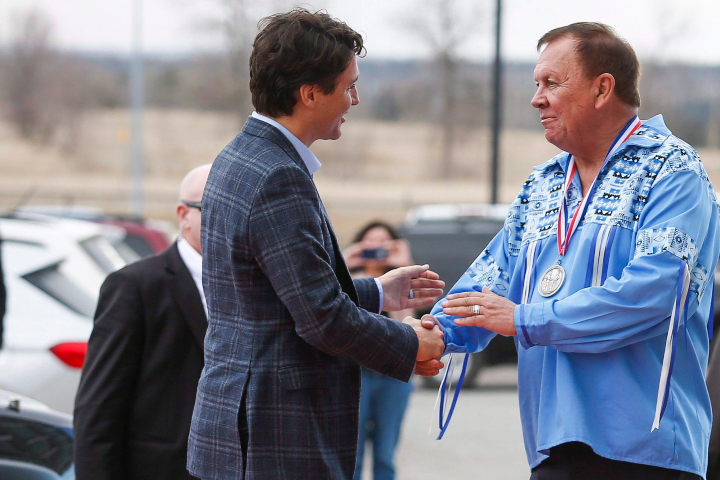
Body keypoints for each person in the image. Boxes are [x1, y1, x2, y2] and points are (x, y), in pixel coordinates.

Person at [415, 22, 720, 480]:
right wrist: (426, 335)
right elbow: (492, 281)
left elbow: (655, 295)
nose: (537, 98)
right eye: (536, 84)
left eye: (551, 83)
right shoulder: (544, 182)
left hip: (646, 449)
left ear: (602, 89)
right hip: (552, 442)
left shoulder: (673, 169)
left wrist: (523, 319)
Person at [187, 8, 445, 480]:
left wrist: (377, 293)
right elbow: (322, 319)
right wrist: (411, 341)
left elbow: (276, 297)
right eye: (348, 86)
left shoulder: (239, 157)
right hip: (274, 442)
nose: (356, 99)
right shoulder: (277, 175)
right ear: (309, 94)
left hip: (243, 435)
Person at [73, 164, 212, 480]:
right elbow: (98, 409)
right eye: (214, 208)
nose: (229, 221)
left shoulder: (257, 285)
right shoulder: (136, 286)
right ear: (183, 214)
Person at [344, 221, 417, 480]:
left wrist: (403, 267)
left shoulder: (400, 282)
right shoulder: (347, 281)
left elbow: (406, 326)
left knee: (385, 456)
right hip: (355, 376)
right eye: (370, 241)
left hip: (392, 377)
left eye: (383, 242)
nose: (376, 247)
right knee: (351, 456)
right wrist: (342, 262)